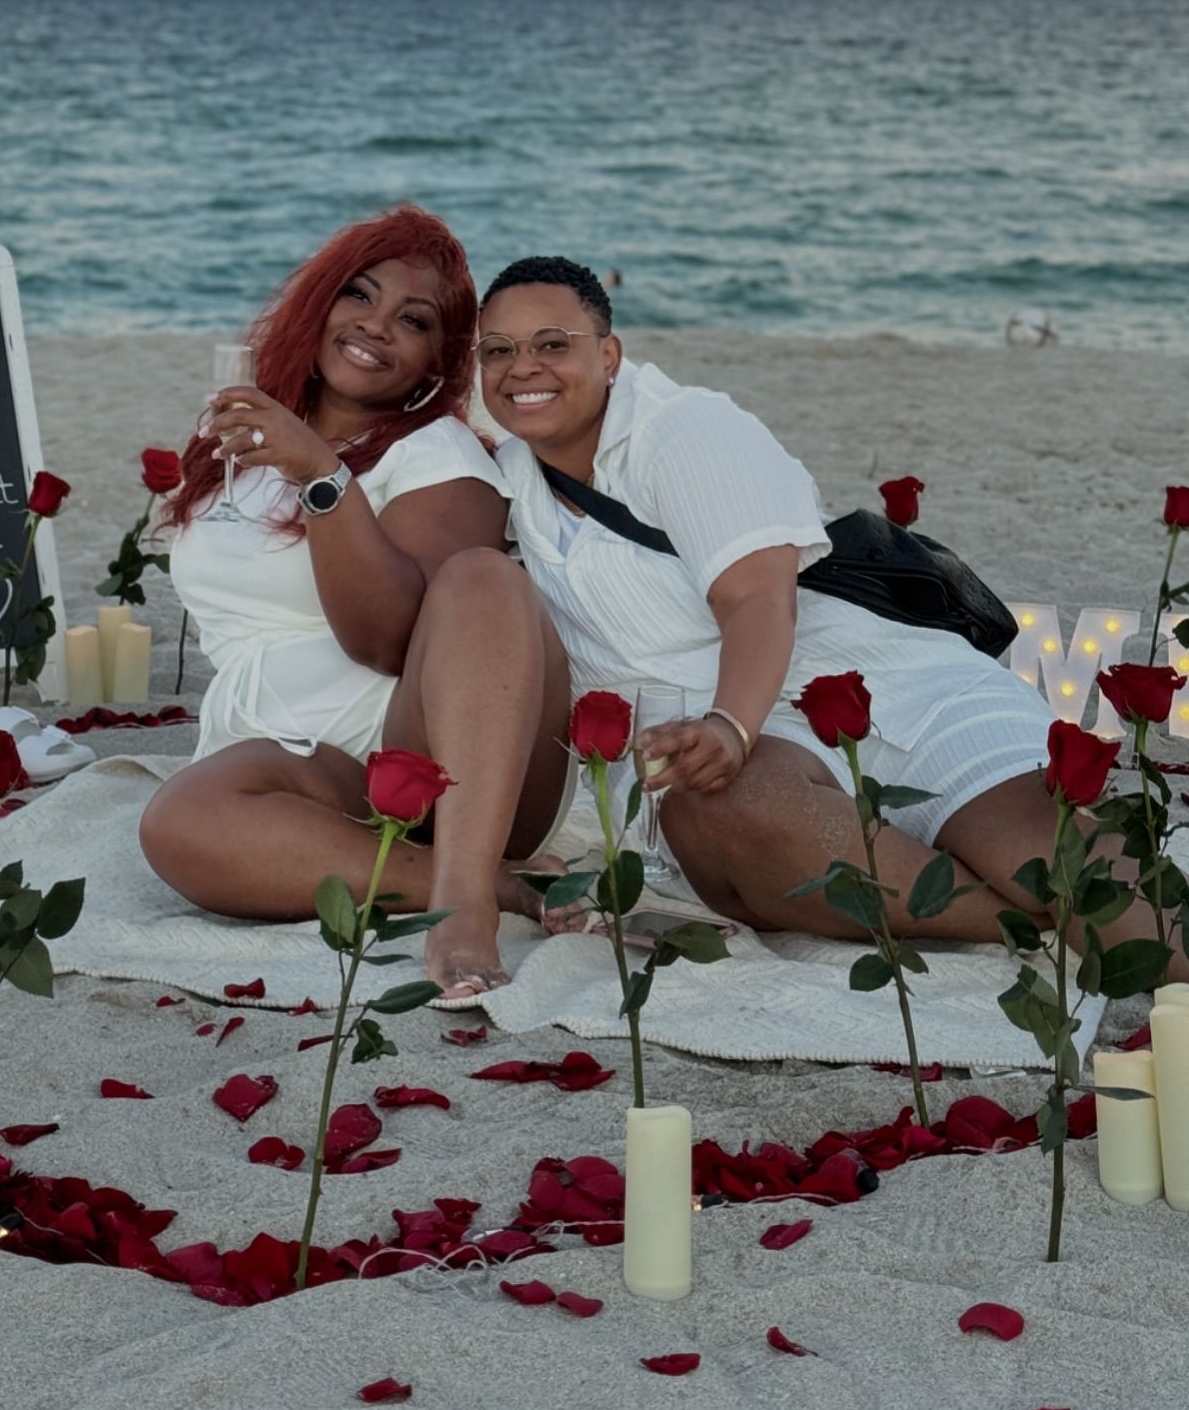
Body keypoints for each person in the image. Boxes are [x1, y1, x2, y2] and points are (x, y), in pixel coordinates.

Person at [476, 254, 1186, 978]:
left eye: (551, 344)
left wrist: (728, 723)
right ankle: (1017, 919)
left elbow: (755, 597)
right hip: (758, 752)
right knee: (711, 813)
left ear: (609, 354)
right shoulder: (511, 481)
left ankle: (1050, 900)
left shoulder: (683, 430)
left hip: (892, 689)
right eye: (497, 351)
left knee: (1053, 860)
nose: (521, 367)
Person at [139, 208, 570, 998]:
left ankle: (465, 893)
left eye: (413, 320)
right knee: (176, 823)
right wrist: (301, 455)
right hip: (299, 762)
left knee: (481, 576)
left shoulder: (433, 456)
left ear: (440, 358)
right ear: (322, 300)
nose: (376, 326)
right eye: (359, 296)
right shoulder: (259, 427)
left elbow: (390, 641)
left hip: (433, 758)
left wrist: (325, 481)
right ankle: (494, 887)